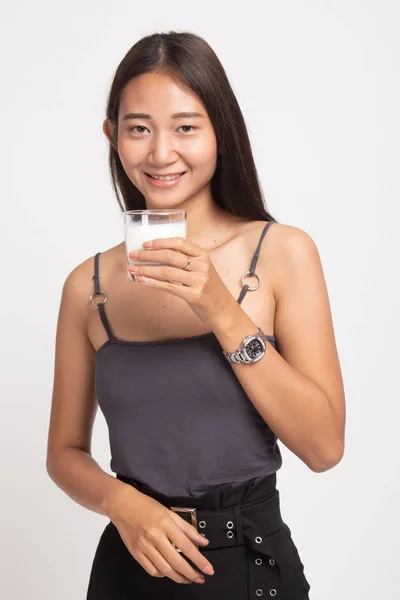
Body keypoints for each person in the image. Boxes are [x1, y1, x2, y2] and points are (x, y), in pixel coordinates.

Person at [46, 31, 346, 600]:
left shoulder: (281, 253)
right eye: (139, 128)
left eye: (186, 126)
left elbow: (324, 447)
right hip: (130, 565)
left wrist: (219, 306)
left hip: (250, 566)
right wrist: (121, 502)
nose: (161, 154)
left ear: (220, 132)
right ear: (113, 136)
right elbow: (64, 453)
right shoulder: (86, 287)